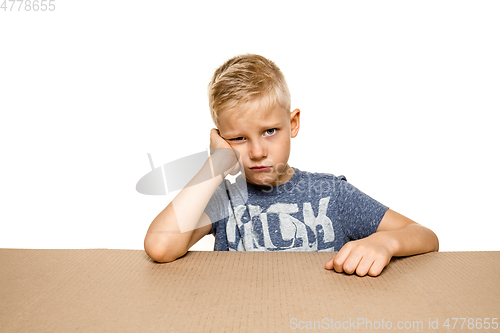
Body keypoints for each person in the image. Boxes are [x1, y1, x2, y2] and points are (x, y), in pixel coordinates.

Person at [144, 54, 439, 277]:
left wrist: (385, 244)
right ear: (221, 139)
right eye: (238, 138)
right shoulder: (224, 199)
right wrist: (215, 165)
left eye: (270, 131)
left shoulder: (331, 194)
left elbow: (425, 235)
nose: (258, 152)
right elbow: (159, 247)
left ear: (293, 123)